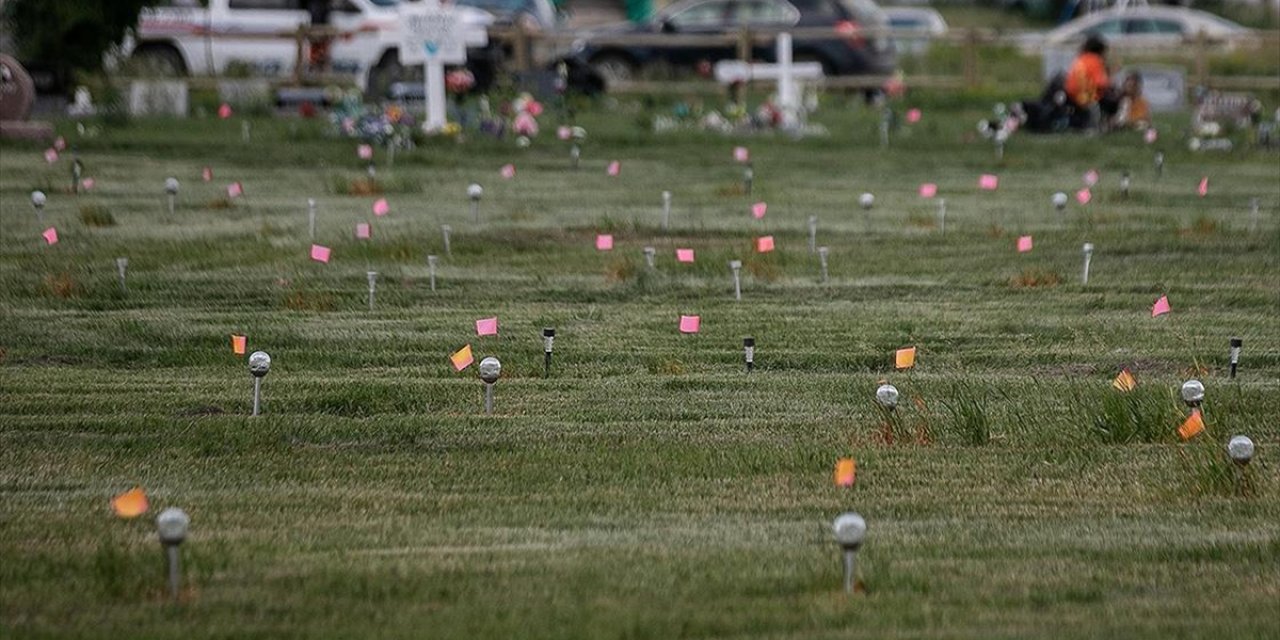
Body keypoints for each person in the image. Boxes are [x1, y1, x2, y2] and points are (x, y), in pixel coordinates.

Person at [1064, 35, 1115, 130]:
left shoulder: (1080, 59)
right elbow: (1101, 83)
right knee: (1113, 98)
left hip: (1070, 94)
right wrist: (1110, 78)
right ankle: (1106, 123)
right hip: (1085, 96)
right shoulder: (1095, 60)